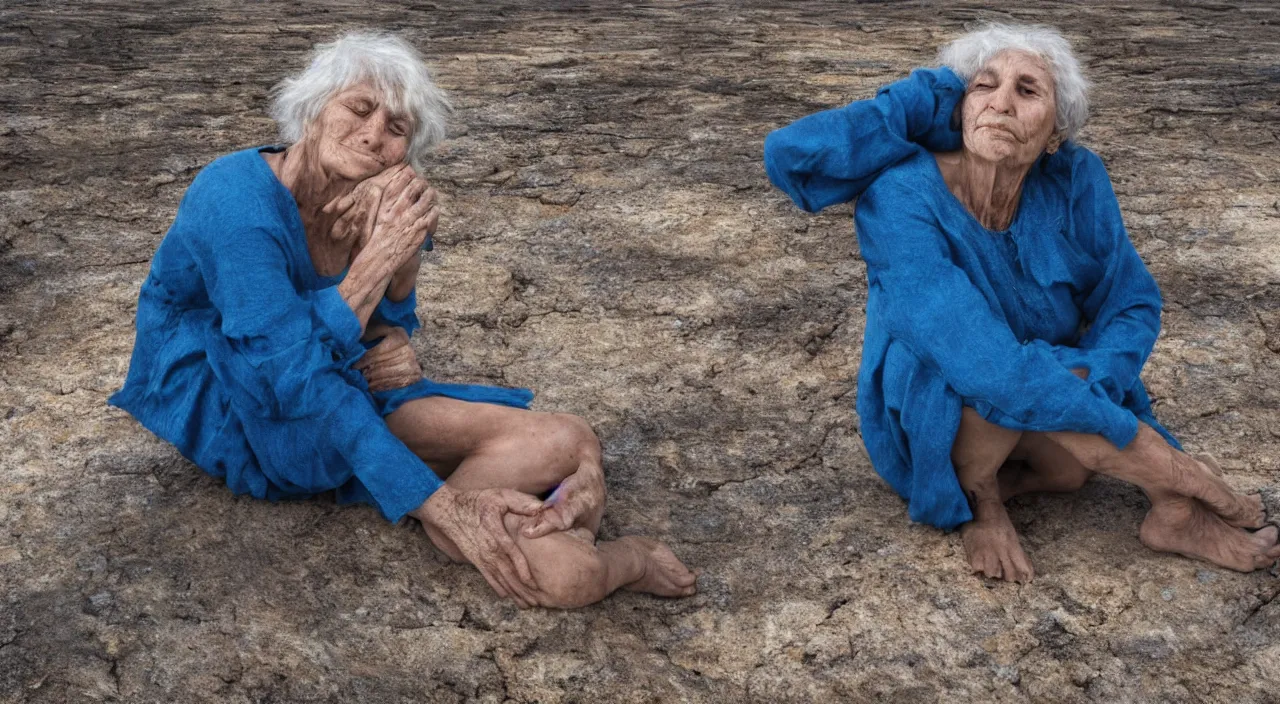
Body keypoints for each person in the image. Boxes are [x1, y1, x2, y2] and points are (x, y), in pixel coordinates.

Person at [110, 31, 696, 608]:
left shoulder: (366, 195)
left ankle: (550, 512)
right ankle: (615, 557)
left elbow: (389, 329)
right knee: (569, 576)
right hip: (241, 397)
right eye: (359, 109)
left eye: (397, 129)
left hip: (335, 378)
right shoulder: (234, 200)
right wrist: (444, 504)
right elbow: (289, 377)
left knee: (568, 438)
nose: (373, 137)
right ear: (312, 110)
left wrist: (399, 277)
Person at [764, 23, 1280, 581]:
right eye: (983, 87)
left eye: (1028, 91)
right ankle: (985, 503)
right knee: (1013, 402)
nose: (1001, 104)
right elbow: (980, 362)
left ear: (1055, 133)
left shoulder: (1077, 179)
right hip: (944, 405)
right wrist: (1172, 463)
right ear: (957, 108)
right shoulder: (899, 198)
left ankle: (1165, 514)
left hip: (1045, 387)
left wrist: (1101, 382)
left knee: (1071, 469)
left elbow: (1131, 302)